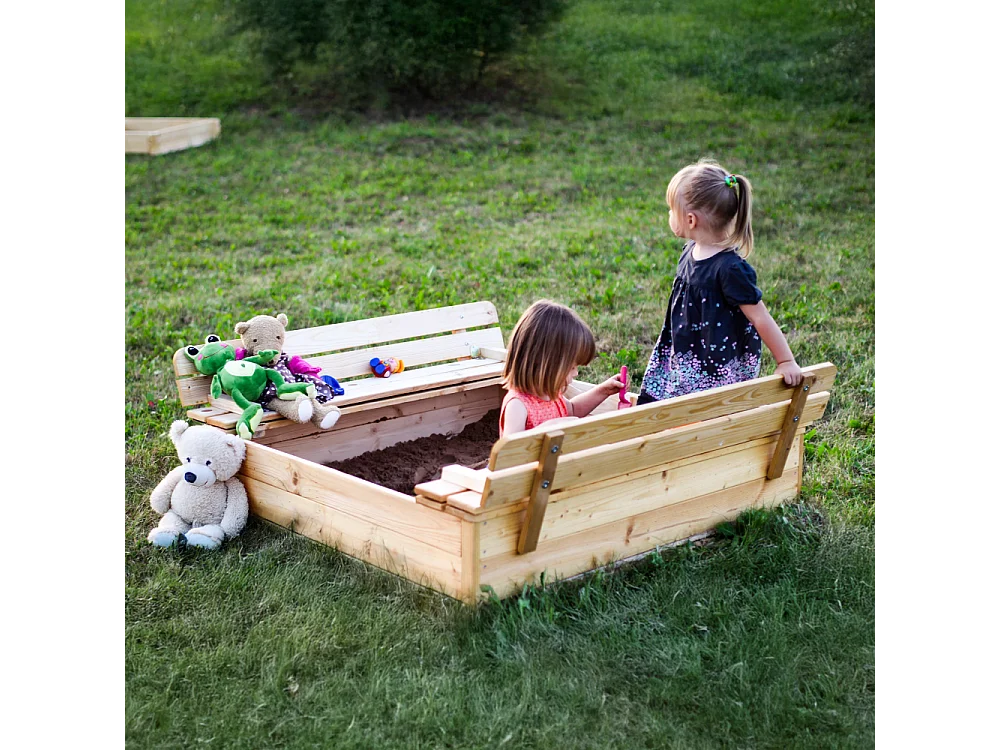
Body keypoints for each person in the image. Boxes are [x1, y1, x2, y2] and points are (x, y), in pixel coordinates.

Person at [638, 160, 803, 405]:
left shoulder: (730, 268)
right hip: (686, 348)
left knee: (711, 406)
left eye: (671, 209)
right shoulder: (690, 250)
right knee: (676, 398)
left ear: (691, 220)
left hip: (716, 357)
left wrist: (786, 361)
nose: (669, 215)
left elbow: (760, 317)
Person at [499, 300, 625, 437]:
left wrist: (603, 391)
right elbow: (510, 451)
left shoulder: (552, 394)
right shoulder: (518, 405)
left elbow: (573, 409)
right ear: (546, 364)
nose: (576, 373)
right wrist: (548, 429)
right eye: (571, 367)